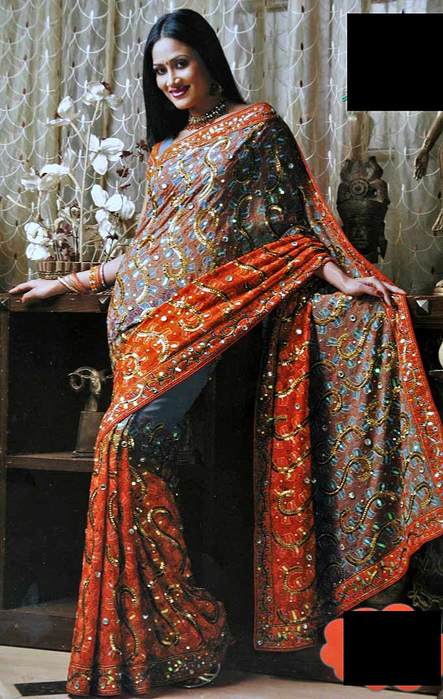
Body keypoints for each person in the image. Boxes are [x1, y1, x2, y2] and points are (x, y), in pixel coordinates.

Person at [9, 9, 443, 697]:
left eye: (180, 63)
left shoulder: (256, 127)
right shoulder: (165, 150)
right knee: (126, 450)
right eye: (159, 70)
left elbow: (294, 226)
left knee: (125, 439)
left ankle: (176, 625)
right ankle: (150, 630)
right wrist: (67, 281)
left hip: (212, 310)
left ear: (209, 60)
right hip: (142, 322)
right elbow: (148, 248)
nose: (171, 79)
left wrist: (343, 280)